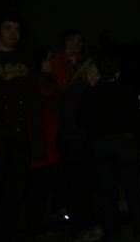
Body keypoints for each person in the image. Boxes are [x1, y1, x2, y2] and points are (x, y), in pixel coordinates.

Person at [77, 56, 140, 242]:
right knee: (134, 191)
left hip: (99, 146)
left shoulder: (89, 93)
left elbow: (80, 121)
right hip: (124, 144)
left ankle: (112, 234)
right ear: (117, 73)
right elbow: (138, 119)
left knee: (106, 194)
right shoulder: (125, 91)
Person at [0, 14, 46, 241]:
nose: (13, 33)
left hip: (20, 137)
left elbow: (34, 101)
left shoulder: (25, 57)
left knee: (15, 193)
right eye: (8, 28)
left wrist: (38, 142)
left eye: (17, 29)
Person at [58, 59, 102, 242]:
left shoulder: (82, 89)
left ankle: (86, 225)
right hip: (74, 143)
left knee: (83, 186)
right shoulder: (79, 90)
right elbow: (77, 120)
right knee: (78, 187)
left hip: (78, 142)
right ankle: (81, 229)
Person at [25, 46, 65, 242]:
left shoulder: (46, 81)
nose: (53, 62)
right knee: (37, 191)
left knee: (42, 189)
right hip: (42, 146)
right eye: (49, 59)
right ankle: (34, 230)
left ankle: (39, 227)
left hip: (48, 145)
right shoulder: (38, 82)